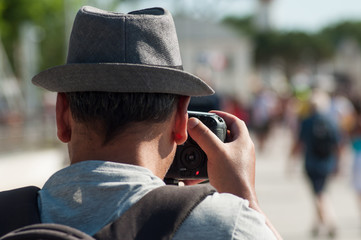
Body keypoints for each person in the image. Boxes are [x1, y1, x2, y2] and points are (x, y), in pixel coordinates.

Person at [30, 6, 281, 239]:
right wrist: (243, 197)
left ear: (61, 114)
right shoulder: (226, 225)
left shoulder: (9, 215)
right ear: (181, 121)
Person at [290, 89, 341, 238]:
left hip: (311, 162)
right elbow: (338, 145)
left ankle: (330, 222)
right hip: (327, 162)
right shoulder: (331, 121)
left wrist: (291, 162)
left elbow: (298, 143)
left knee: (318, 194)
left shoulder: (306, 122)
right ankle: (316, 225)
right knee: (321, 192)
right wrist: (339, 164)